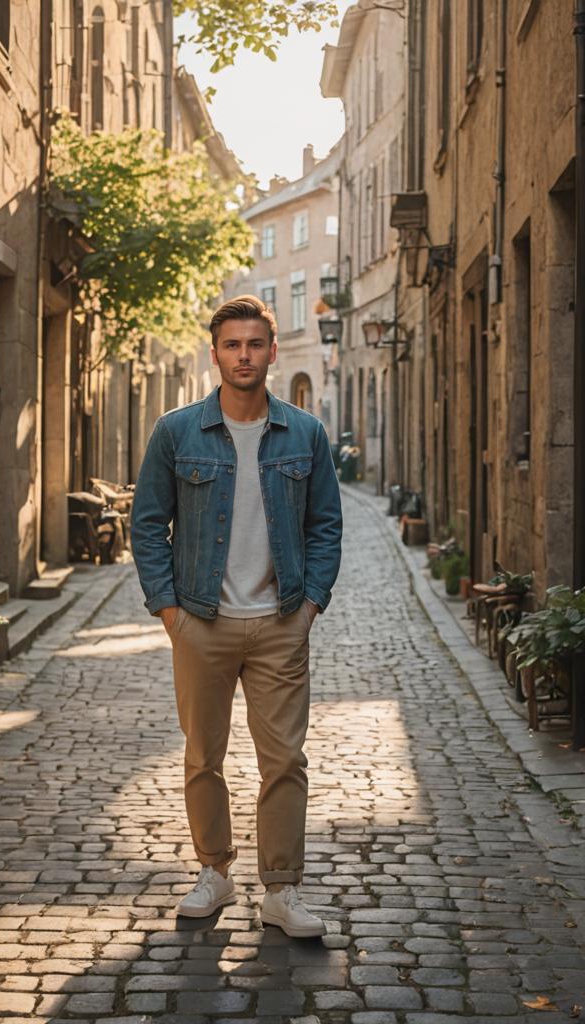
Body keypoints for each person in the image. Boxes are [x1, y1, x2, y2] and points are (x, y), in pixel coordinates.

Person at [130, 295, 343, 938]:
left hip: (281, 621)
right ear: (215, 352)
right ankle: (215, 873)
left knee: (285, 760)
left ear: (272, 352)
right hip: (202, 619)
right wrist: (171, 613)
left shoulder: (304, 433)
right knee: (203, 756)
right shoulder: (177, 432)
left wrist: (308, 608)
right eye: (232, 345)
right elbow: (147, 526)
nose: (244, 355)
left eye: (255, 344)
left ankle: (281, 890)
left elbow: (325, 526)